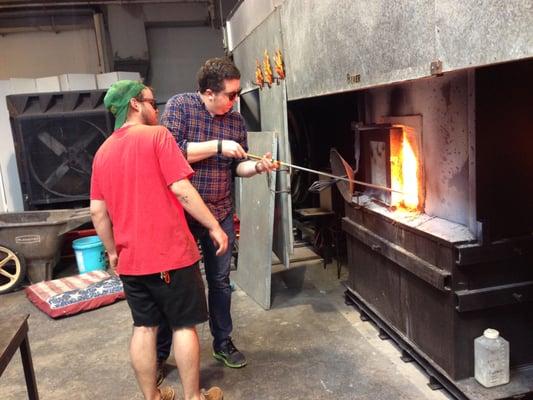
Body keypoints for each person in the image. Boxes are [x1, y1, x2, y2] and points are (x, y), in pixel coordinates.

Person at [90, 80, 227, 400]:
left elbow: (97, 211)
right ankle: (194, 397)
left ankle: (152, 397)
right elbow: (181, 189)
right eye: (152, 103)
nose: (157, 110)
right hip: (171, 255)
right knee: (183, 326)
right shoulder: (158, 137)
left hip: (131, 261)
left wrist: (112, 252)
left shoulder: (103, 152)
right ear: (135, 105)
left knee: (144, 327)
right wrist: (213, 227)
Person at [157, 57, 277, 372]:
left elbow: (238, 167)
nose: (235, 101)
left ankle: (222, 342)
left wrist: (258, 166)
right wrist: (217, 145)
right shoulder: (180, 106)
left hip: (220, 209)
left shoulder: (235, 121)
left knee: (220, 281)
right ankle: (161, 351)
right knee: (177, 283)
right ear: (209, 93)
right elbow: (169, 151)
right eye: (231, 95)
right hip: (182, 212)